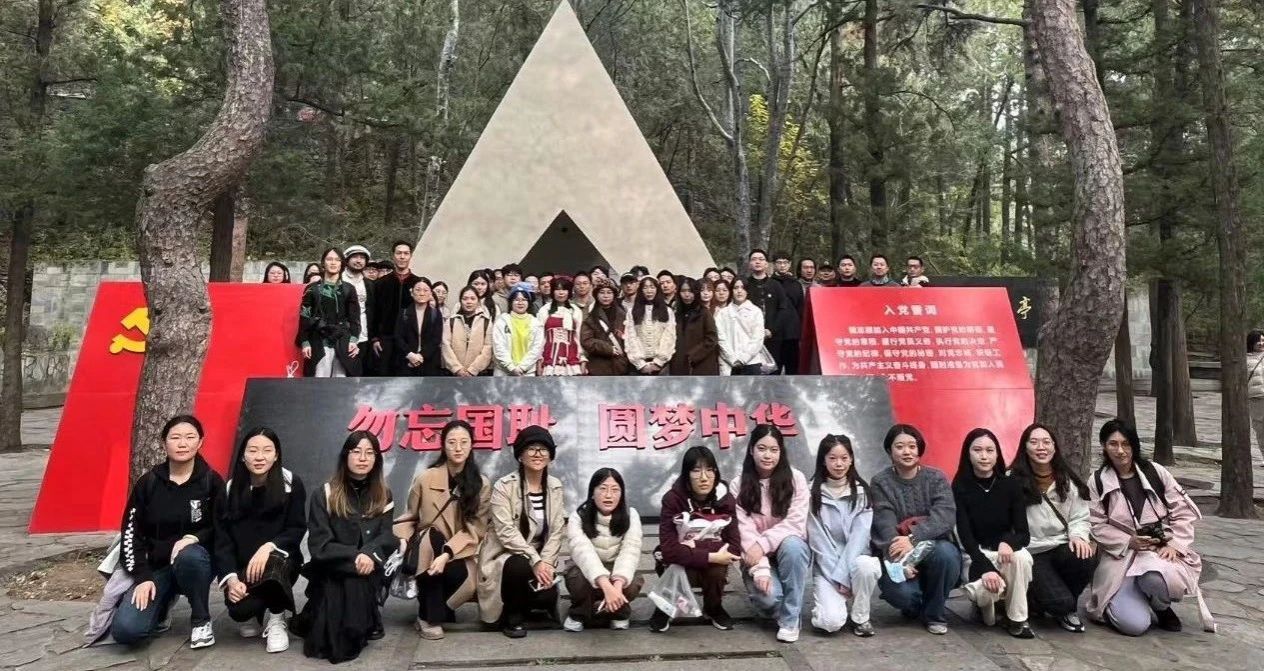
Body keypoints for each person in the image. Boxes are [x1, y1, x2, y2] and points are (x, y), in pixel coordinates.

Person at [1086, 419, 1214, 635]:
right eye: (1113, 444)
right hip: (1121, 556)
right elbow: (1096, 524)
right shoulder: (1098, 481)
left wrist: (1175, 545)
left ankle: (1159, 604)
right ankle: (1123, 601)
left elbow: (1182, 512)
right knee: (1134, 626)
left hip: (1158, 552)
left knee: (1154, 579)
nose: (1120, 451)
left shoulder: (1156, 472)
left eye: (1126, 444)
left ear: (1134, 445)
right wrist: (1128, 541)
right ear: (1104, 447)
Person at [111, 415, 224, 649]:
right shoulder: (148, 483)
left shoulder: (211, 482)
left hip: (198, 563)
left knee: (189, 555)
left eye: (190, 437)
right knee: (126, 631)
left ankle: (201, 620)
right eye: (175, 438)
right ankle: (161, 605)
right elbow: (131, 534)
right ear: (164, 443)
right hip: (157, 567)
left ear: (200, 442)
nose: (182, 444)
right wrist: (142, 577)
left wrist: (194, 538)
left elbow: (222, 525)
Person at [292, 431, 396, 663]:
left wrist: (369, 555)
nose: (363, 458)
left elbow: (387, 536)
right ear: (345, 456)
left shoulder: (384, 495)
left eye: (370, 453)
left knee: (352, 629)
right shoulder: (324, 494)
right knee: (324, 643)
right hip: (333, 569)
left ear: (377, 458)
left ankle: (367, 615)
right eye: (357, 452)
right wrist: (356, 556)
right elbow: (319, 545)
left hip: (368, 570)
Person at [394, 420, 492, 640]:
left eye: (464, 442)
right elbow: (410, 516)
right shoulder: (425, 478)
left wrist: (447, 554)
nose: (458, 448)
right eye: (452, 442)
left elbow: (476, 528)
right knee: (432, 538)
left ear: (471, 445)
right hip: (427, 547)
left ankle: (436, 609)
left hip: (461, 549)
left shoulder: (481, 484)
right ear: (443, 445)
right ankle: (428, 617)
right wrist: (402, 540)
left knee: (465, 578)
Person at [214, 427, 307, 653]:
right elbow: (223, 539)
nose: (259, 457)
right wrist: (231, 579)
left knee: (274, 569)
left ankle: (276, 618)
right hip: (245, 566)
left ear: (276, 455)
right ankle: (254, 612)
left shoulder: (291, 483)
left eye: (267, 450)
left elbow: (296, 527)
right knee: (240, 610)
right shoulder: (230, 489)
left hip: (281, 561)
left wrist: (269, 547)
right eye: (253, 450)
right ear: (243, 456)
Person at [870, 424, 960, 635]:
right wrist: (902, 561)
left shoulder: (936, 478)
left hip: (933, 546)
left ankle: (935, 614)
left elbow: (944, 517)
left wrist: (913, 537)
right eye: (900, 446)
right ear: (889, 450)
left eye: (912, 446)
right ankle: (916, 605)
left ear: (919, 449)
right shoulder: (880, 482)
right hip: (898, 549)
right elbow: (884, 523)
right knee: (900, 594)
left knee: (946, 554)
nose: (907, 451)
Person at [478, 426, 567, 638]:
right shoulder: (504, 486)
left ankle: (532, 601)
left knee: (545, 595)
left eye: (543, 449)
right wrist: (535, 560)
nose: (538, 454)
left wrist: (546, 562)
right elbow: (506, 532)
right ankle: (513, 616)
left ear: (550, 456)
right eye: (531, 448)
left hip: (540, 556)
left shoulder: (555, 486)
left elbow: (556, 530)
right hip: (506, 554)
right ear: (520, 455)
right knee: (519, 565)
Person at [1008, 423, 1098, 633]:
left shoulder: (1066, 480)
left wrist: (1078, 536)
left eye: (1046, 442)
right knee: (1059, 602)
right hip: (1032, 552)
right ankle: (1048, 602)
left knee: (1084, 555)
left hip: (1060, 546)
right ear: (1025, 447)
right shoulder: (1011, 480)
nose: (1041, 447)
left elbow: (1080, 516)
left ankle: (1064, 607)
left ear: (1055, 447)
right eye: (1034, 442)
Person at [953, 428, 1035, 638]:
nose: (984, 456)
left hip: (1004, 553)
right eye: (977, 450)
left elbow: (1023, 534)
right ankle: (988, 604)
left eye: (990, 450)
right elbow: (966, 537)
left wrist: (1008, 542)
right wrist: (986, 568)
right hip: (976, 554)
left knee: (1021, 558)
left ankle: (1018, 619)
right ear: (968, 453)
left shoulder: (1010, 485)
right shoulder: (960, 487)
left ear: (997, 454)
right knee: (986, 598)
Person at [651, 445, 740, 632]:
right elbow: (669, 550)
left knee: (717, 569)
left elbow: (734, 547)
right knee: (675, 565)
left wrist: (693, 545)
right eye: (696, 470)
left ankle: (713, 607)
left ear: (716, 473)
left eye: (709, 470)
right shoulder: (673, 500)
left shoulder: (725, 499)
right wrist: (711, 555)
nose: (704, 477)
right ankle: (666, 605)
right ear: (686, 474)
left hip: (705, 561)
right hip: (679, 564)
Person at [734, 424, 810, 642]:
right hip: (756, 557)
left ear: (781, 452)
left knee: (793, 544)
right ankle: (785, 603)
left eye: (774, 450)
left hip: (789, 550)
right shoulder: (738, 485)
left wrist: (763, 544)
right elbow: (744, 531)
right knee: (769, 601)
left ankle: (791, 619)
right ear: (751, 450)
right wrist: (761, 569)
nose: (768, 455)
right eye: (762, 448)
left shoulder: (796, 479)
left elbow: (795, 523)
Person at [807, 433, 880, 637]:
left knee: (867, 566)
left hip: (855, 562)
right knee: (829, 623)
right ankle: (830, 608)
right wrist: (836, 576)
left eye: (844, 458)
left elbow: (860, 537)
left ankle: (860, 617)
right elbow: (818, 541)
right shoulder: (811, 493)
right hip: (827, 567)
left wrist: (844, 576)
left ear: (851, 459)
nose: (839, 464)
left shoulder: (862, 492)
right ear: (823, 460)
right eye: (832, 458)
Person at [563, 468, 644, 632]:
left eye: (615, 490)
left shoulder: (631, 515)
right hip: (585, 571)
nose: (608, 495)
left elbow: (630, 550)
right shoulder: (578, 516)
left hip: (616, 570)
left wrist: (618, 585)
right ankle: (579, 613)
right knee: (577, 578)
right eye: (603, 489)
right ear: (592, 493)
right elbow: (582, 551)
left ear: (621, 494)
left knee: (633, 581)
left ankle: (618, 612)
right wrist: (606, 585)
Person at [298, 248, 362, 377]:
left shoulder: (349, 289)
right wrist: (305, 342)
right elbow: (304, 317)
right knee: (320, 380)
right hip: (319, 339)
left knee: (340, 381)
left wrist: (353, 339)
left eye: (337, 260)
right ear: (323, 263)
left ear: (342, 264)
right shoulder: (312, 289)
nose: (333, 263)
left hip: (342, 340)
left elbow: (354, 318)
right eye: (329, 259)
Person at [371, 241, 422, 373]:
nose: (402, 256)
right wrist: (374, 338)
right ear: (393, 256)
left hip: (410, 341)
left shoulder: (418, 284)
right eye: (399, 253)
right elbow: (374, 312)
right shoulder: (380, 283)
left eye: (406, 253)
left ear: (410, 256)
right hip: (385, 339)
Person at [716, 278, 771, 376]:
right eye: (736, 288)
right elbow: (721, 339)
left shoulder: (756, 311)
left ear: (747, 291)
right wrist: (732, 359)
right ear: (731, 290)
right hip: (729, 363)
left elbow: (757, 338)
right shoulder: (723, 313)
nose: (739, 291)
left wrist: (743, 359)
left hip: (752, 362)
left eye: (743, 288)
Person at [744, 250, 788, 371]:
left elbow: (783, 309)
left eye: (761, 259)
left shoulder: (776, 285)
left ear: (767, 264)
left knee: (772, 371)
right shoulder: (745, 285)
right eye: (754, 259)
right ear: (749, 264)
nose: (757, 262)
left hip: (773, 337)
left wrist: (772, 330)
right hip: (749, 337)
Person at [623, 276, 676, 375]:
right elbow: (630, 337)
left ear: (657, 289)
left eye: (652, 287)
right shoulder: (632, 311)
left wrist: (658, 362)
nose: (649, 291)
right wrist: (640, 364)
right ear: (640, 290)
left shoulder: (667, 311)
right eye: (645, 287)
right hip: (638, 366)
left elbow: (669, 337)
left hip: (661, 365)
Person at [536, 276, 587, 376]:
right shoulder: (544, 310)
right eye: (557, 289)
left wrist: (582, 358)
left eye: (564, 289)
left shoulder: (575, 310)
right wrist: (539, 360)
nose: (561, 293)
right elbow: (540, 337)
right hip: (549, 356)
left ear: (569, 292)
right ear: (553, 291)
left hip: (572, 356)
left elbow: (578, 336)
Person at [394, 279, 444, 376]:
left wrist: (420, 356)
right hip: (407, 361)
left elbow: (436, 339)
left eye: (425, 290)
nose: (421, 293)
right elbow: (398, 337)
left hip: (429, 362)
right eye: (418, 290)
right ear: (412, 293)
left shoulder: (435, 313)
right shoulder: (404, 313)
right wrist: (410, 354)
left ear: (431, 293)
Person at [492, 284, 544, 376]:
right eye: (516, 300)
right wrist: (511, 367)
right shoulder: (502, 321)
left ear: (529, 302)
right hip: (503, 371)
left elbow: (536, 349)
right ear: (511, 302)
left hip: (527, 372)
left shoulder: (536, 323)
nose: (520, 303)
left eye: (524, 300)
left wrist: (522, 368)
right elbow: (499, 346)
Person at [580, 277, 629, 376]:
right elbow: (587, 340)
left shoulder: (623, 315)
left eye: (609, 293)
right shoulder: (590, 317)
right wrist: (608, 349)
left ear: (614, 295)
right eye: (602, 292)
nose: (606, 296)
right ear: (596, 295)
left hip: (621, 365)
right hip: (598, 366)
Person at [670, 277, 719, 375]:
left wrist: (692, 356)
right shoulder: (676, 314)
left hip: (701, 364)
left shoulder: (704, 313)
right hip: (679, 364)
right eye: (683, 291)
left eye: (690, 291)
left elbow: (711, 338)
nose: (687, 294)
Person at [442, 286, 495, 377]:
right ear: (460, 301)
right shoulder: (451, 321)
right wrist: (457, 369)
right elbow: (446, 345)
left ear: (478, 301)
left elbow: (488, 348)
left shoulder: (486, 322)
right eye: (465, 299)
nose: (469, 302)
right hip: (454, 374)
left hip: (478, 374)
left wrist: (473, 370)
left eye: (473, 298)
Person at [342, 245, 375, 374]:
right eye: (355, 257)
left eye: (362, 258)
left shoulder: (369, 284)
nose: (358, 260)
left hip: (363, 336)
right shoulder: (339, 280)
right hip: (342, 335)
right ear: (347, 260)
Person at [770, 252, 803, 375]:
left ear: (790, 264)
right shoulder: (769, 283)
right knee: (773, 370)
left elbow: (800, 308)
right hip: (774, 334)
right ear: (774, 265)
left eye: (785, 263)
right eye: (779, 262)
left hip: (792, 333)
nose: (782, 265)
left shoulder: (796, 284)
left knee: (792, 369)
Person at [1248, 331, 1264, 460]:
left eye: (1263, 340)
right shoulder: (1244, 359)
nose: (1261, 343)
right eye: (1258, 340)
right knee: (1261, 429)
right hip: (1256, 398)